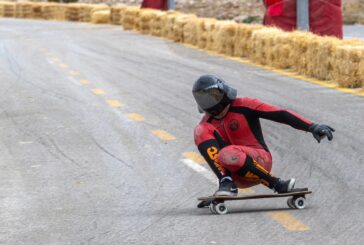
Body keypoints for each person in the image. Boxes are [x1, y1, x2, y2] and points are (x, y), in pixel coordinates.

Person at [193, 75, 335, 198]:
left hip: (260, 161)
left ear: (222, 92)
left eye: (213, 96)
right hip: (234, 174)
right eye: (204, 99)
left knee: (228, 153)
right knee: (200, 130)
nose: (210, 102)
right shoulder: (207, 122)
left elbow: (281, 114)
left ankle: (276, 184)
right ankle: (226, 182)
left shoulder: (244, 105)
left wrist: (312, 126)